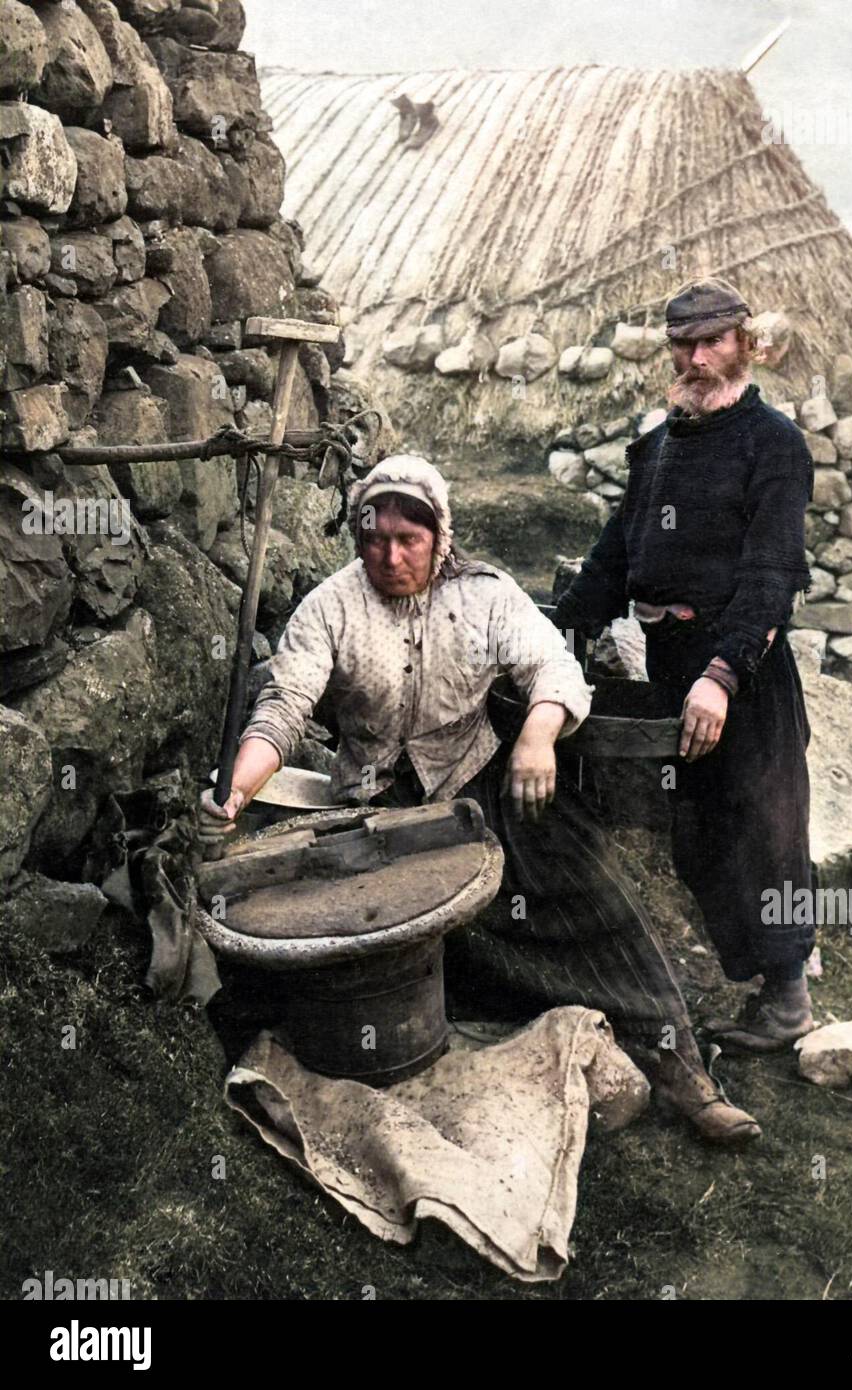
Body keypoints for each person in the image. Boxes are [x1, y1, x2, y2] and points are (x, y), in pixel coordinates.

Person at [198, 454, 761, 1144]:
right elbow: (283, 709)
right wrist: (237, 788)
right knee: (395, 932)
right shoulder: (331, 608)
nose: (392, 556)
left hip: (483, 782)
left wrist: (536, 736)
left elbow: (553, 666)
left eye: (410, 541)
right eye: (375, 539)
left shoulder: (486, 595)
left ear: (441, 540)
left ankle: (684, 1073)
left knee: (594, 894)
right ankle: (483, 1009)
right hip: (380, 805)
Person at [552, 277, 818, 1054]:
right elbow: (614, 555)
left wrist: (723, 676)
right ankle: (740, 977)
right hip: (671, 660)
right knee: (699, 833)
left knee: (764, 829)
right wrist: (561, 630)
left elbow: (772, 578)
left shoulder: (775, 446)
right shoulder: (660, 445)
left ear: (744, 344)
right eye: (685, 345)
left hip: (746, 670)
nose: (699, 359)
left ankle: (789, 998)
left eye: (714, 343)